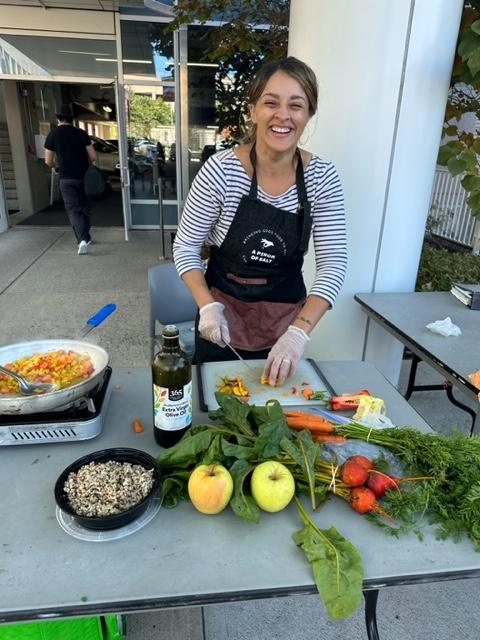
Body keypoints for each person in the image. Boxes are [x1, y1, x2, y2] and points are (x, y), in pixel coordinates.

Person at [173, 57, 347, 386]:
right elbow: (185, 246)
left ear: (308, 114)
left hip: (285, 325)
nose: (283, 115)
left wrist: (299, 333)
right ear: (253, 110)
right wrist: (206, 306)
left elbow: (333, 263)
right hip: (221, 323)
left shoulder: (323, 177)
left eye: (296, 105)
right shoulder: (221, 171)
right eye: (271, 103)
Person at [44, 104, 96, 255]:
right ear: (72, 119)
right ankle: (86, 236)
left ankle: (82, 240)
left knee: (73, 210)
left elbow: (48, 160)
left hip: (66, 178)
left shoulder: (53, 134)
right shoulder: (81, 133)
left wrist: (56, 167)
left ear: (58, 118)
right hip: (83, 177)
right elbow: (93, 156)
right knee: (85, 208)